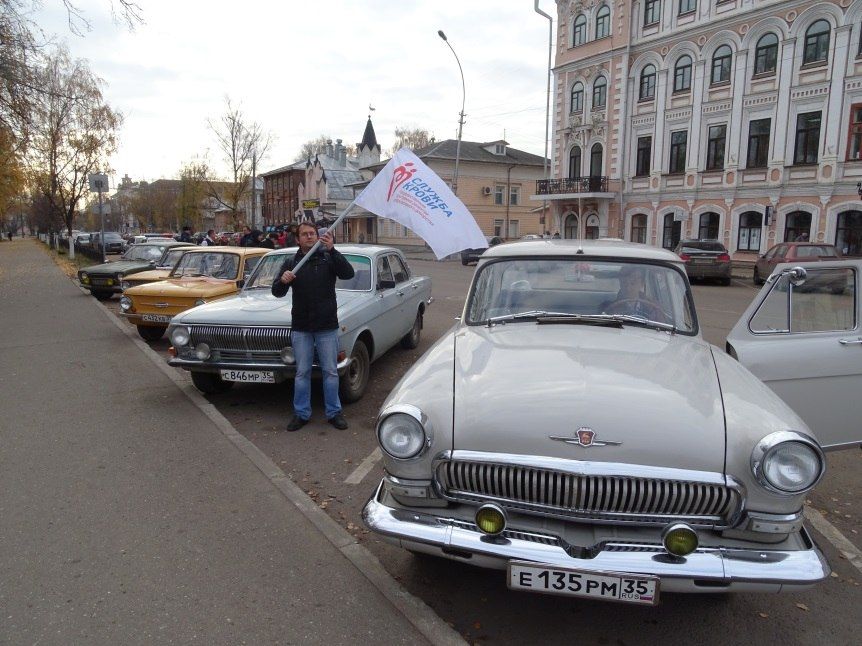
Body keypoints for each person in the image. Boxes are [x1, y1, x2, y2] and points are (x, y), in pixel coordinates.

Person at [271, 223, 355, 431]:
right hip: (301, 326)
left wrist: (333, 250)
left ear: (318, 237)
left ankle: (334, 413)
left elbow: (348, 274)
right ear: (297, 239)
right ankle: (301, 413)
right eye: (304, 234)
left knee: (330, 372)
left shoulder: (328, 258)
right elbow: (277, 292)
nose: (309, 237)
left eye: (312, 234)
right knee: (302, 372)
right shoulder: (292, 262)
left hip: (326, 325)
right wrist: (283, 281)